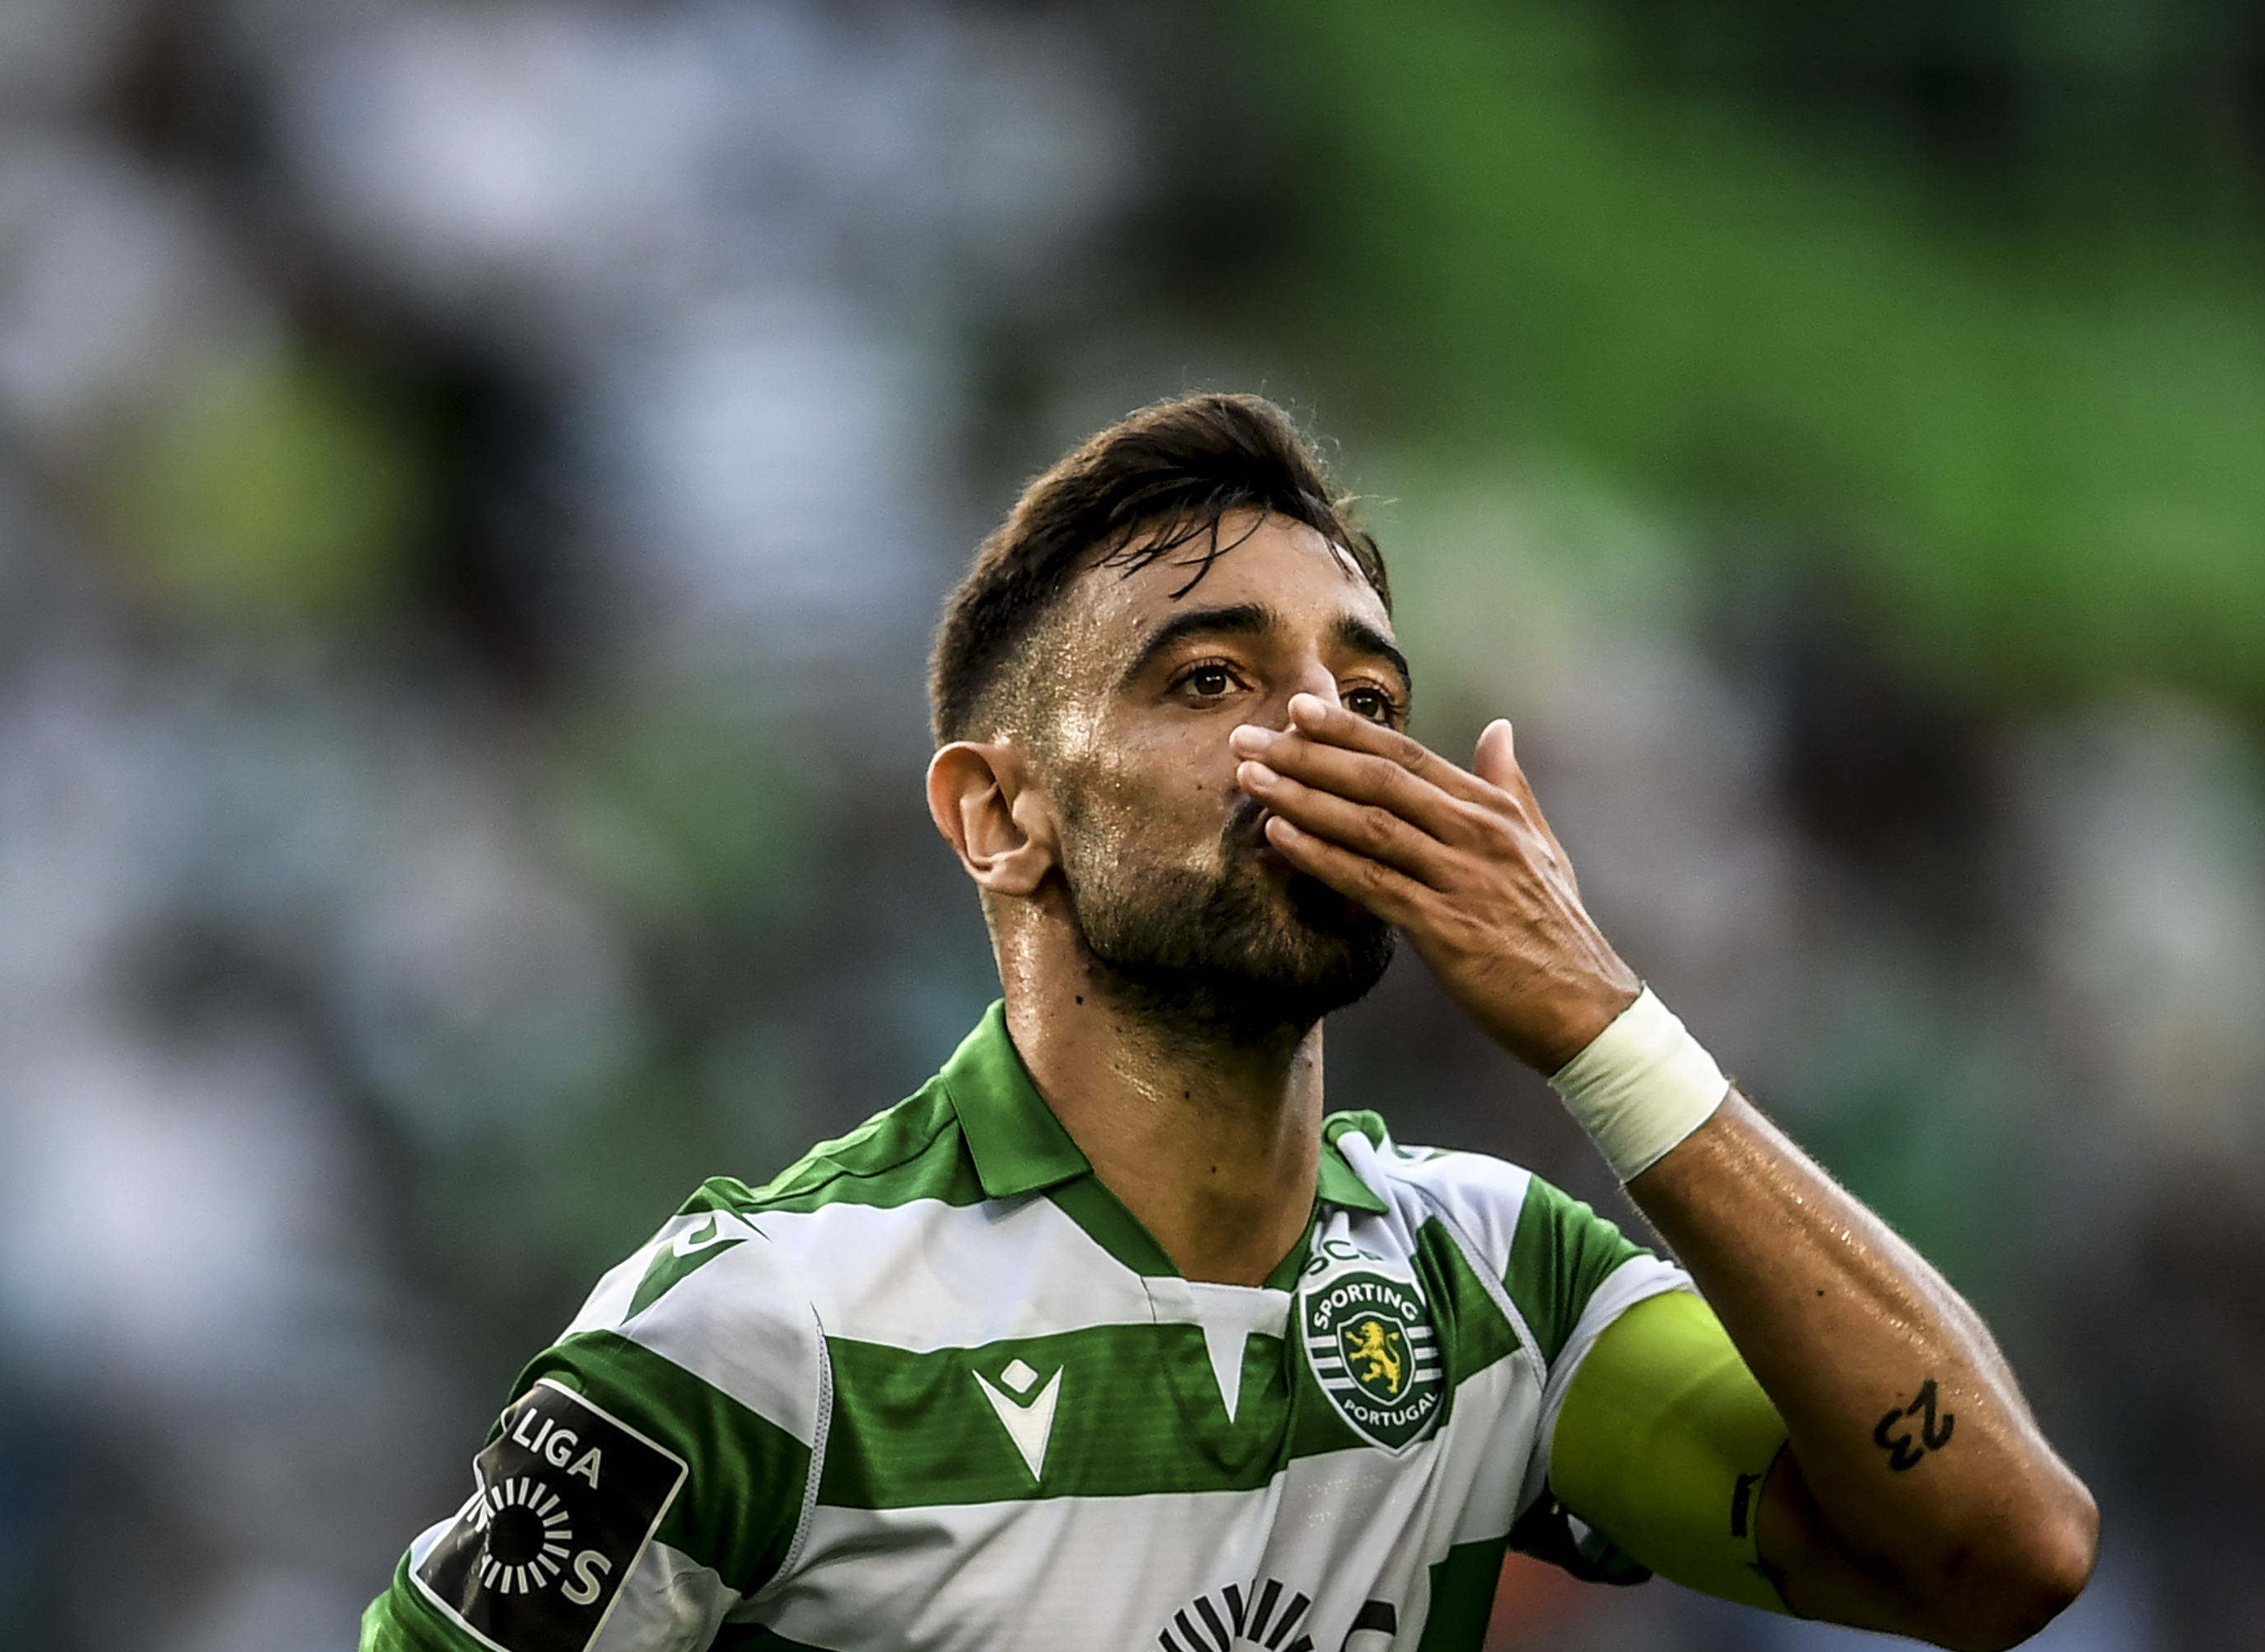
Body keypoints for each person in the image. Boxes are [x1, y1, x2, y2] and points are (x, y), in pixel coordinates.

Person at [362, 393, 2096, 1652]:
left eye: (1372, 692)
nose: (1323, 738)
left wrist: (1609, 1028)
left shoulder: (1489, 1287)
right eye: (1211, 679)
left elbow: (1999, 1551)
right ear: (1001, 816)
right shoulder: (763, 1329)